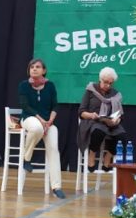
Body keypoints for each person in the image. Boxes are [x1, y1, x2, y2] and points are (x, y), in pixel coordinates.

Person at [18, 58, 66, 199]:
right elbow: (25, 106)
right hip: (29, 118)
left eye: (37, 67)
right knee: (37, 128)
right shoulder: (24, 85)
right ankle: (27, 158)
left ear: (43, 70)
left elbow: (56, 105)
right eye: (32, 67)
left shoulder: (50, 86)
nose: (34, 69)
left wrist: (51, 120)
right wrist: (41, 119)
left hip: (47, 122)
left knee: (53, 148)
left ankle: (56, 186)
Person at [77, 67, 126, 171]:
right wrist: (91, 115)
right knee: (99, 130)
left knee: (121, 135)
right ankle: (92, 155)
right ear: (100, 79)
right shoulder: (91, 90)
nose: (108, 85)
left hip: (110, 123)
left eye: (110, 83)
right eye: (105, 82)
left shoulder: (115, 94)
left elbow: (120, 114)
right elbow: (81, 112)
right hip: (93, 121)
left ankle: (107, 158)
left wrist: (117, 120)